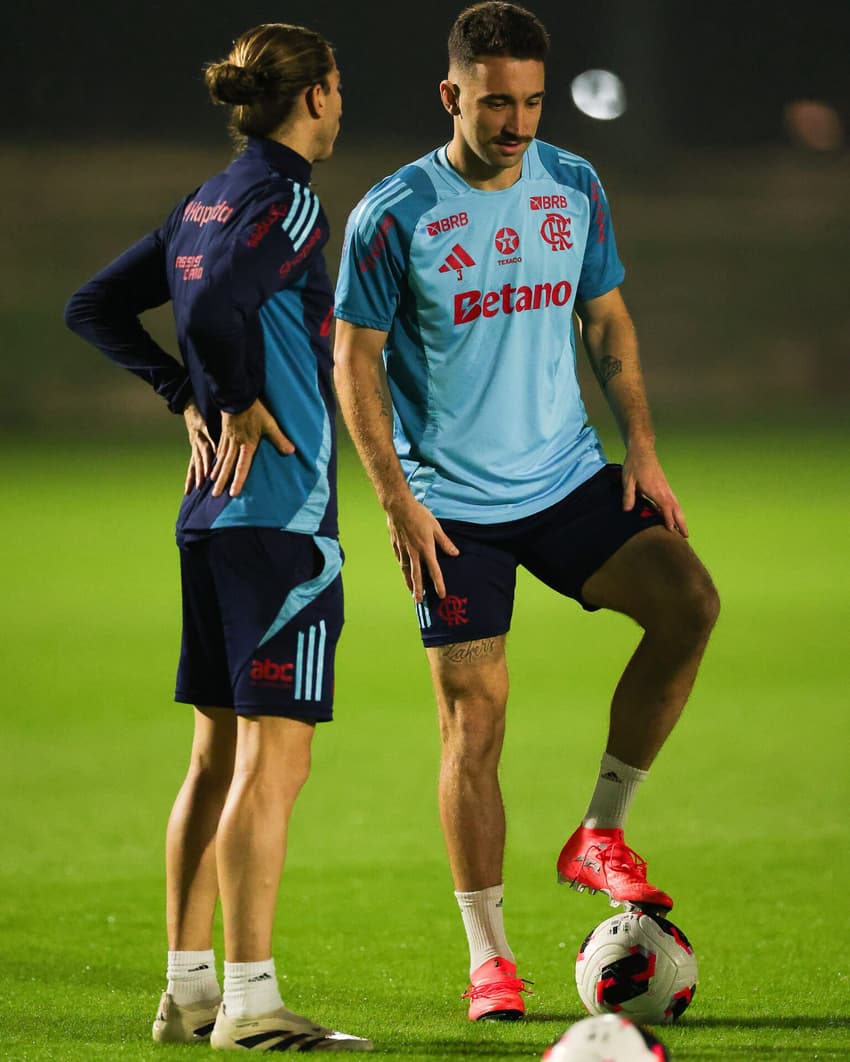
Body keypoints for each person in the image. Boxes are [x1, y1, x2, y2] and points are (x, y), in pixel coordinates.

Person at [333, 0, 719, 1024]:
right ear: (451, 95)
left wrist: (642, 447)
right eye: (496, 102)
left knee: (689, 602)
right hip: (452, 510)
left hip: (565, 478)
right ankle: (489, 957)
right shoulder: (395, 212)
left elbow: (606, 317)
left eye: (533, 102)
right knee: (476, 718)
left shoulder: (573, 186)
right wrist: (395, 499)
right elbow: (354, 359)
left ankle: (600, 830)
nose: (517, 123)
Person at [64, 23, 372, 1053]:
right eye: (337, 88)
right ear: (316, 96)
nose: (341, 103)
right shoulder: (287, 201)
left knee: (215, 759)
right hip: (279, 520)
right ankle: (250, 1003)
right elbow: (214, 316)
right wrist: (228, 398)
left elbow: (95, 306)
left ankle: (189, 992)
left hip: (209, 519)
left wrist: (181, 396)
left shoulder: (205, 199)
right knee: (274, 765)